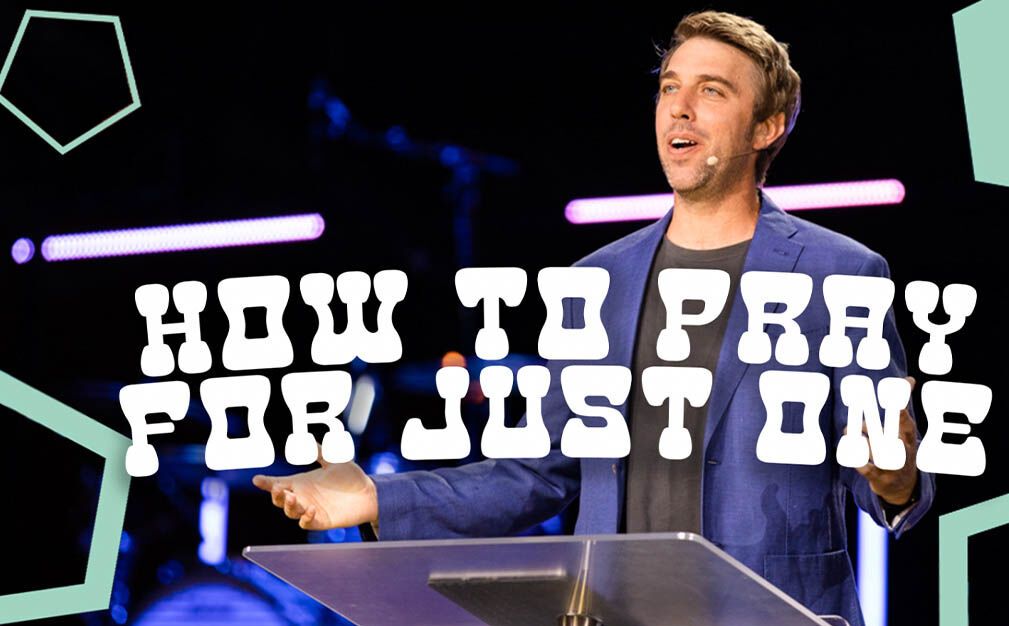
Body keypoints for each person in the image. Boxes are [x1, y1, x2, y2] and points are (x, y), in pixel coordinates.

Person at [253, 10, 934, 625]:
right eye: (669, 88)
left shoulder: (841, 273)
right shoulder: (597, 282)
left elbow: (886, 477)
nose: (679, 109)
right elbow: (538, 473)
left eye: (711, 91)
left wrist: (894, 476)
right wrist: (378, 497)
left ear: (767, 126)